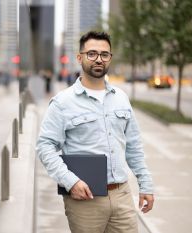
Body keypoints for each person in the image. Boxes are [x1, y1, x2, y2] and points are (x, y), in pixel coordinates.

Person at [36, 31, 154, 233]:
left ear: (110, 58)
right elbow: (45, 147)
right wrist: (70, 182)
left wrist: (146, 184)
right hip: (84, 199)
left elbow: (133, 145)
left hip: (122, 195)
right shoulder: (62, 102)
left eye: (104, 54)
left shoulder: (121, 98)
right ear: (80, 57)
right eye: (92, 54)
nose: (98, 59)